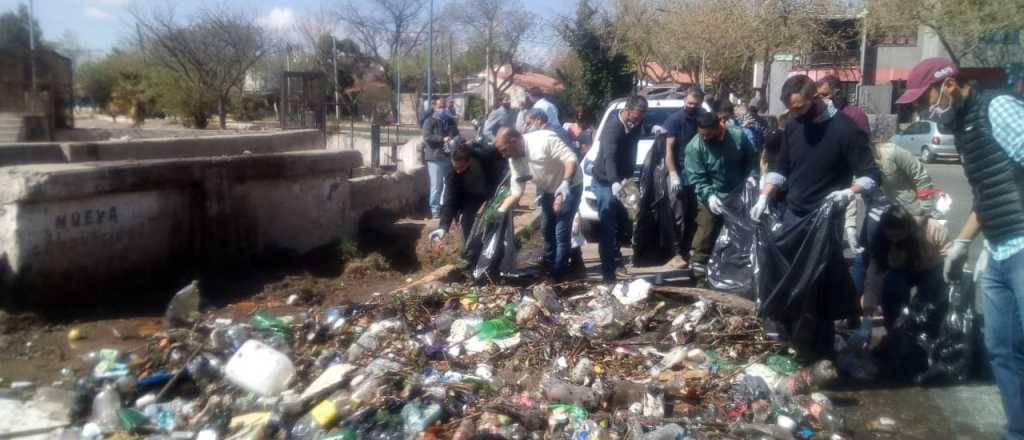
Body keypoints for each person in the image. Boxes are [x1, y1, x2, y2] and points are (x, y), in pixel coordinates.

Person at [897, 58, 1024, 439]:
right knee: (1000, 349)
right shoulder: (966, 130)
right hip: (1000, 249)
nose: (924, 109)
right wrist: (965, 242)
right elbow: (987, 194)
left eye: (927, 99)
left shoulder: (996, 108)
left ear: (949, 85)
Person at [750, 74, 880, 358]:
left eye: (799, 107)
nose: (795, 113)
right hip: (794, 215)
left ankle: (820, 349)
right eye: (791, 109)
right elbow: (781, 167)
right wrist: (764, 194)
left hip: (825, 220)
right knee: (787, 277)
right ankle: (791, 337)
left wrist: (849, 192)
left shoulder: (846, 130)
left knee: (817, 286)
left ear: (816, 98)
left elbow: (871, 175)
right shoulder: (794, 126)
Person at [845, 140, 936, 293]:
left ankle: (898, 307)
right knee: (863, 261)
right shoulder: (852, 160)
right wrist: (850, 225)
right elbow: (849, 193)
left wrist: (924, 211)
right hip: (875, 216)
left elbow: (920, 176)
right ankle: (853, 308)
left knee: (903, 265)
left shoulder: (892, 152)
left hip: (904, 216)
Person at [494, 127, 582, 281]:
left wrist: (566, 183)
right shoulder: (514, 160)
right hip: (549, 188)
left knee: (561, 230)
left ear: (514, 141)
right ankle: (549, 263)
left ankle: (558, 275)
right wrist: (500, 210)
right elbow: (516, 192)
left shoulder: (543, 140)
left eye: (504, 150)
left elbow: (570, 159)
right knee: (546, 227)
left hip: (570, 185)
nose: (503, 155)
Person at [683, 112, 759, 276]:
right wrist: (709, 196)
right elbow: (697, 177)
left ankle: (735, 271)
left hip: (738, 194)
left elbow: (751, 158)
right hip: (711, 196)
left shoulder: (737, 136)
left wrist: (752, 176)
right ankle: (699, 273)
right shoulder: (695, 147)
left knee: (739, 234)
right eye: (701, 134)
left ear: (718, 127)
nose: (704, 138)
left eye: (708, 134)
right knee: (706, 233)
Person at [855, 206, 949, 334]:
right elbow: (873, 279)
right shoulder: (882, 242)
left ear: (909, 228)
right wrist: (867, 316)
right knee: (891, 286)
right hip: (901, 270)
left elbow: (950, 254)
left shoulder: (932, 228)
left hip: (932, 268)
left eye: (898, 235)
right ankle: (895, 332)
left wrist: (949, 280)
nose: (894, 239)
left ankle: (925, 330)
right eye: (890, 236)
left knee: (926, 299)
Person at [591, 95, 647, 282]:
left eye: (641, 117)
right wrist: (614, 181)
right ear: (627, 110)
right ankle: (608, 273)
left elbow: (632, 147)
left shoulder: (636, 124)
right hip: (605, 181)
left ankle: (616, 258)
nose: (638, 120)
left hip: (624, 180)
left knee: (629, 220)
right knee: (608, 224)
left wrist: (651, 129)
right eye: (637, 116)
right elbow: (609, 157)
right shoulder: (612, 128)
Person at [662, 88, 707, 269]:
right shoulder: (675, 120)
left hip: (698, 174)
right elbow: (669, 150)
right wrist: (673, 174)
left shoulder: (703, 117)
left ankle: (690, 251)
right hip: (680, 172)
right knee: (677, 215)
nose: (692, 107)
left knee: (694, 216)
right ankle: (676, 252)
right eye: (689, 103)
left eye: (695, 104)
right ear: (684, 101)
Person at [429, 143, 490, 249]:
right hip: (469, 195)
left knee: (491, 219)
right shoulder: (451, 172)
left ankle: (489, 245)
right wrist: (443, 226)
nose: (458, 171)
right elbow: (450, 198)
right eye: (455, 167)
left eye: (461, 167)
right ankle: (469, 252)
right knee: (465, 220)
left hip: (488, 190)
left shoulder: (484, 158)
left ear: (470, 160)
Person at [423, 98, 460, 218]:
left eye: (444, 107)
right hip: (435, 157)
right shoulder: (429, 121)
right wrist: (442, 139)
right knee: (436, 185)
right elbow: (427, 137)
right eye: (440, 107)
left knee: (448, 183)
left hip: (448, 156)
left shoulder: (449, 121)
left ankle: (447, 207)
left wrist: (456, 140)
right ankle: (435, 210)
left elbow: (457, 135)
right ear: (434, 107)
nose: (443, 109)